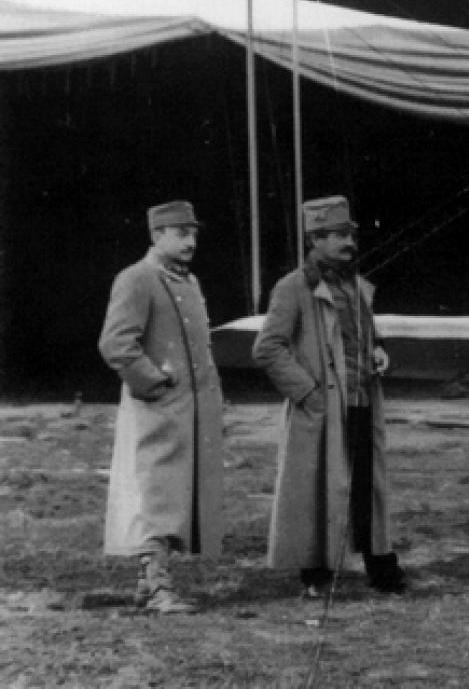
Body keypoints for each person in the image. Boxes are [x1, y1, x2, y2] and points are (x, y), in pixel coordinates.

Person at [253, 196, 408, 598]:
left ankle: (381, 566)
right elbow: (268, 347)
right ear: (315, 239)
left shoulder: (356, 286)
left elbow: (365, 334)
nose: (349, 243)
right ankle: (315, 573)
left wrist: (379, 348)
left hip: (361, 402)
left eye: (350, 234)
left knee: (365, 488)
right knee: (318, 489)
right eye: (340, 236)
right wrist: (309, 393)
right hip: (323, 409)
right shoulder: (292, 288)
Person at [98, 200, 225, 614]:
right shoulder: (137, 278)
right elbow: (116, 344)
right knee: (155, 495)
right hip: (155, 409)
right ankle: (158, 589)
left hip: (188, 411)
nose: (190, 241)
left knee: (173, 495)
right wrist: (156, 382)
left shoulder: (188, 282)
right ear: (156, 235)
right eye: (180, 232)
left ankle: (147, 583)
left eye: (193, 232)